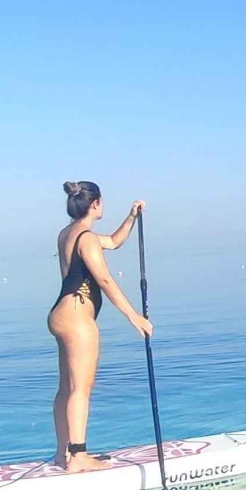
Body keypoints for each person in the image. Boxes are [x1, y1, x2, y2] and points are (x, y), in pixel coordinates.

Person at [48, 182, 151, 472]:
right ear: (95, 204)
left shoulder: (68, 234)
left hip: (60, 313)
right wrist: (134, 316)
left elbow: (115, 242)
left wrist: (131, 216)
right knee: (81, 388)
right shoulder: (88, 238)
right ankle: (79, 456)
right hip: (78, 318)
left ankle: (62, 454)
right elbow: (104, 280)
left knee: (66, 388)